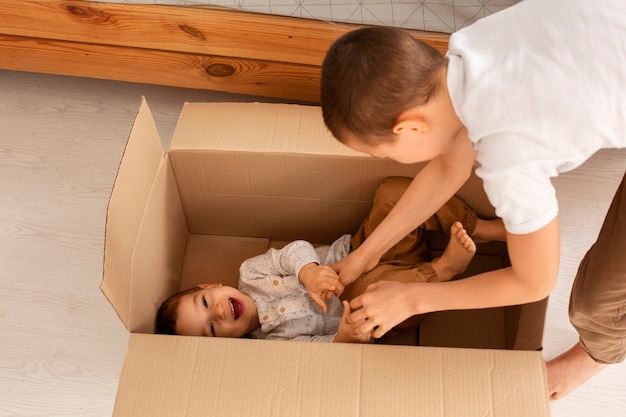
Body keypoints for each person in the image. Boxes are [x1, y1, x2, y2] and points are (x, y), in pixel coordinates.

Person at [319, 0, 626, 400]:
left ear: (409, 127)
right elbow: (449, 168)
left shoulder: (508, 157)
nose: (387, 161)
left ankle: (597, 354)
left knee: (596, 303)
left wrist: (412, 297)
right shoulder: (469, 50)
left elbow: (535, 281)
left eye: (384, 154)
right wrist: (367, 254)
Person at [156, 177, 505, 343]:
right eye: (212, 329)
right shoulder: (272, 346)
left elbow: (291, 251)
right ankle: (446, 268)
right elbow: (323, 353)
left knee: (391, 194)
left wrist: (308, 271)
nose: (217, 312)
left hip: (365, 249)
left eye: (205, 302)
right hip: (389, 300)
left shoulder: (249, 272)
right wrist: (346, 335)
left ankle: (482, 229)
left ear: (210, 286)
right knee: (365, 295)